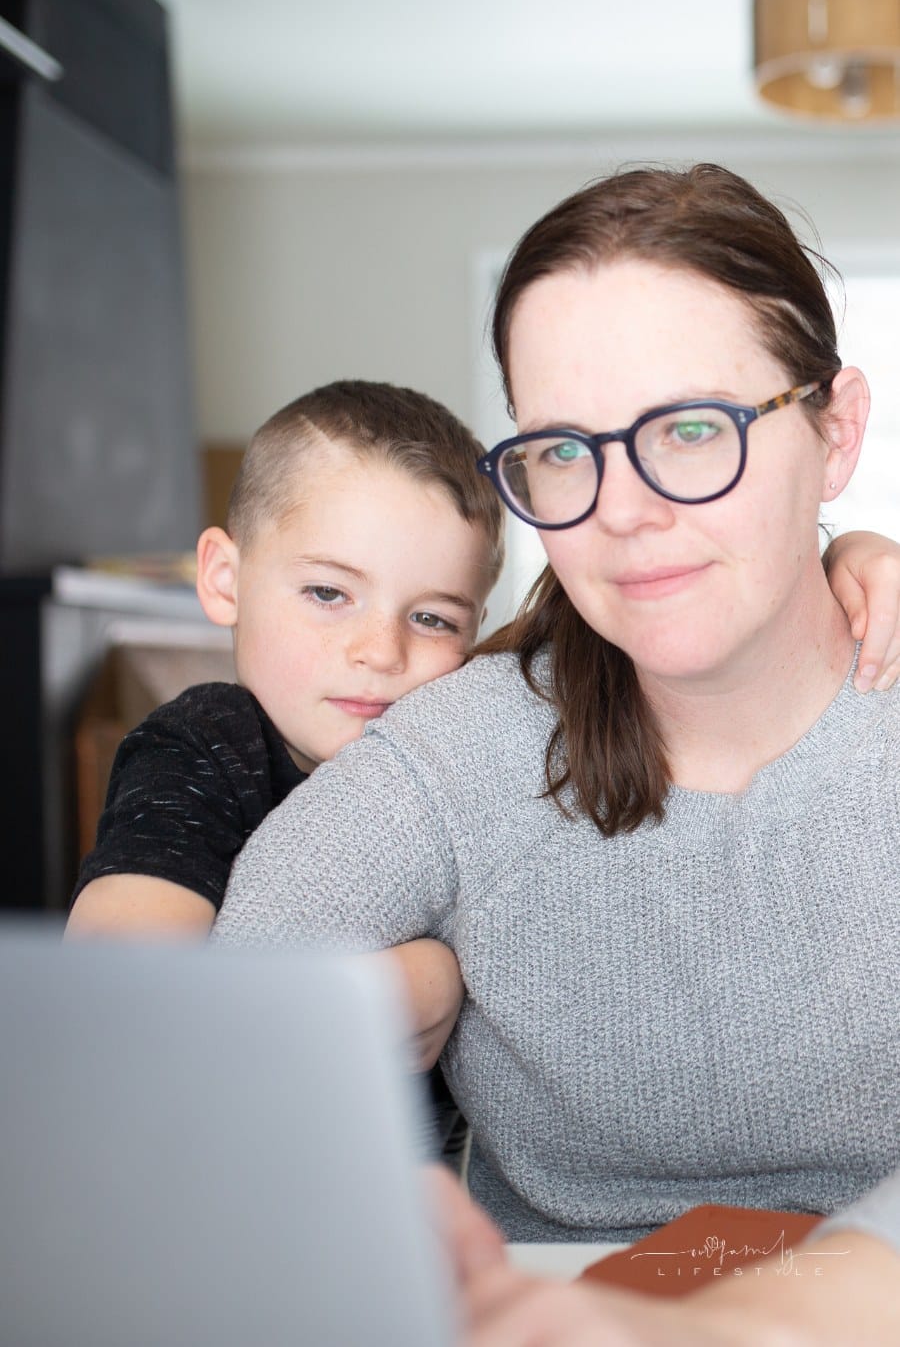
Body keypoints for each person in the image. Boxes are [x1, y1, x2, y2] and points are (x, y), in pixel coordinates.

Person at [212, 165, 900, 1342]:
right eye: (565, 452)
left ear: (834, 432)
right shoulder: (463, 749)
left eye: (692, 430)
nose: (622, 511)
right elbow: (211, 1038)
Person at [66, 379, 504, 1105]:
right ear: (225, 580)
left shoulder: (454, 771)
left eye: (432, 619)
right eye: (329, 593)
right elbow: (117, 1004)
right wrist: (425, 978)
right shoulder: (203, 745)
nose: (379, 650)